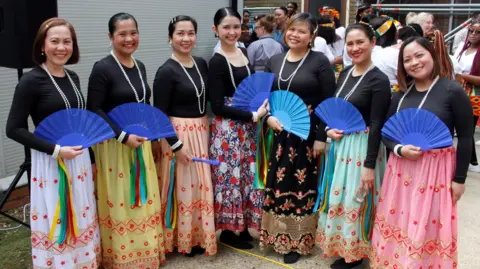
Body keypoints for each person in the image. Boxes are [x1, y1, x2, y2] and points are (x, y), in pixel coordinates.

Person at [6, 18, 101, 268]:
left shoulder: (73, 77)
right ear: (42, 45)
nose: (61, 47)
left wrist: (90, 160)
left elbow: (80, 122)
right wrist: (56, 150)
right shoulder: (30, 80)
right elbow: (13, 128)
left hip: (79, 161)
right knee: (58, 218)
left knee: (81, 215)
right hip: (51, 161)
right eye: (55, 41)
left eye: (67, 41)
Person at [370, 36, 472, 269]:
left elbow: (466, 137)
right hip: (400, 170)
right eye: (407, 59)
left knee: (427, 226)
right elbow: (386, 133)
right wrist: (399, 149)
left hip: (436, 172)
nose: (414, 62)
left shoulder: (452, 90)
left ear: (433, 55)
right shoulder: (400, 95)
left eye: (419, 55)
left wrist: (459, 179)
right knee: (400, 222)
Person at [87, 13, 165, 268]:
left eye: (133, 33)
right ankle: (123, 258)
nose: (129, 39)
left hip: (140, 142)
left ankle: (146, 253)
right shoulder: (102, 68)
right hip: (114, 146)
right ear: (111, 37)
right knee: (123, 201)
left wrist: (153, 138)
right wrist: (122, 136)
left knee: (144, 199)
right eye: (122, 34)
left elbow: (145, 105)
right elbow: (94, 109)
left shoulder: (139, 65)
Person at [259, 13, 336, 264]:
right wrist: (267, 118)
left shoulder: (320, 62)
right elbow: (265, 98)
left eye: (302, 31)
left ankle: (298, 240)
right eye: (292, 29)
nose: (295, 35)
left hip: (307, 136)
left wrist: (321, 137)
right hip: (280, 135)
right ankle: (277, 236)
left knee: (301, 186)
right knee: (279, 184)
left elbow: (328, 102)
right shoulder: (275, 60)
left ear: (312, 36)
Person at [317, 23, 391, 269]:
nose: (355, 48)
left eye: (360, 42)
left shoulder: (379, 80)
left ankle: (358, 252)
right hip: (342, 145)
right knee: (340, 196)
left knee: (357, 198)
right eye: (350, 43)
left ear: (373, 42)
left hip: (363, 146)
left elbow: (377, 123)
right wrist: (328, 130)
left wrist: (369, 165)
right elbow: (338, 110)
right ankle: (344, 245)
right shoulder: (345, 72)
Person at [153, 15, 216, 257]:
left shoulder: (200, 63)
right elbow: (159, 114)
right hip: (178, 133)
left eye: (190, 33)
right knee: (182, 186)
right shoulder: (166, 71)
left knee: (199, 185)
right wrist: (176, 145)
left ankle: (197, 236)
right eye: (180, 33)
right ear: (170, 38)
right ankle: (181, 240)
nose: (186, 38)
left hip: (201, 129)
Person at [209, 7, 269, 250]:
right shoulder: (216, 61)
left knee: (246, 176)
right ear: (216, 30)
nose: (232, 32)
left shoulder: (244, 52)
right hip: (228, 129)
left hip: (249, 125)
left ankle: (242, 225)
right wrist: (252, 114)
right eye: (226, 27)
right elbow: (217, 105)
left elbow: (252, 87)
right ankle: (229, 231)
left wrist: (261, 105)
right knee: (230, 177)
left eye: (236, 27)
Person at [454, 18, 480, 173]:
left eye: (478, 32)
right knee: (462, 128)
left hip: (474, 94)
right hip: (459, 91)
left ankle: (471, 162)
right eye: (472, 31)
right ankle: (471, 161)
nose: (474, 35)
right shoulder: (461, 50)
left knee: (467, 129)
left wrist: (462, 76)